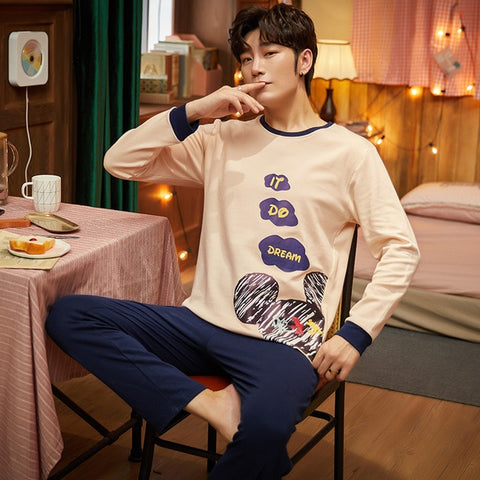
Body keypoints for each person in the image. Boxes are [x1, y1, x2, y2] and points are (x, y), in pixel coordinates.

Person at [46, 4, 420, 479]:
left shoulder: (351, 154)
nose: (255, 67)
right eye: (246, 57)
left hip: (283, 343)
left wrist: (355, 333)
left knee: (264, 431)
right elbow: (120, 162)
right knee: (70, 315)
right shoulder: (220, 138)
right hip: (198, 323)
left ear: (304, 61)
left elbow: (400, 249)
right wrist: (196, 110)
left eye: (270, 52)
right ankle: (210, 403)